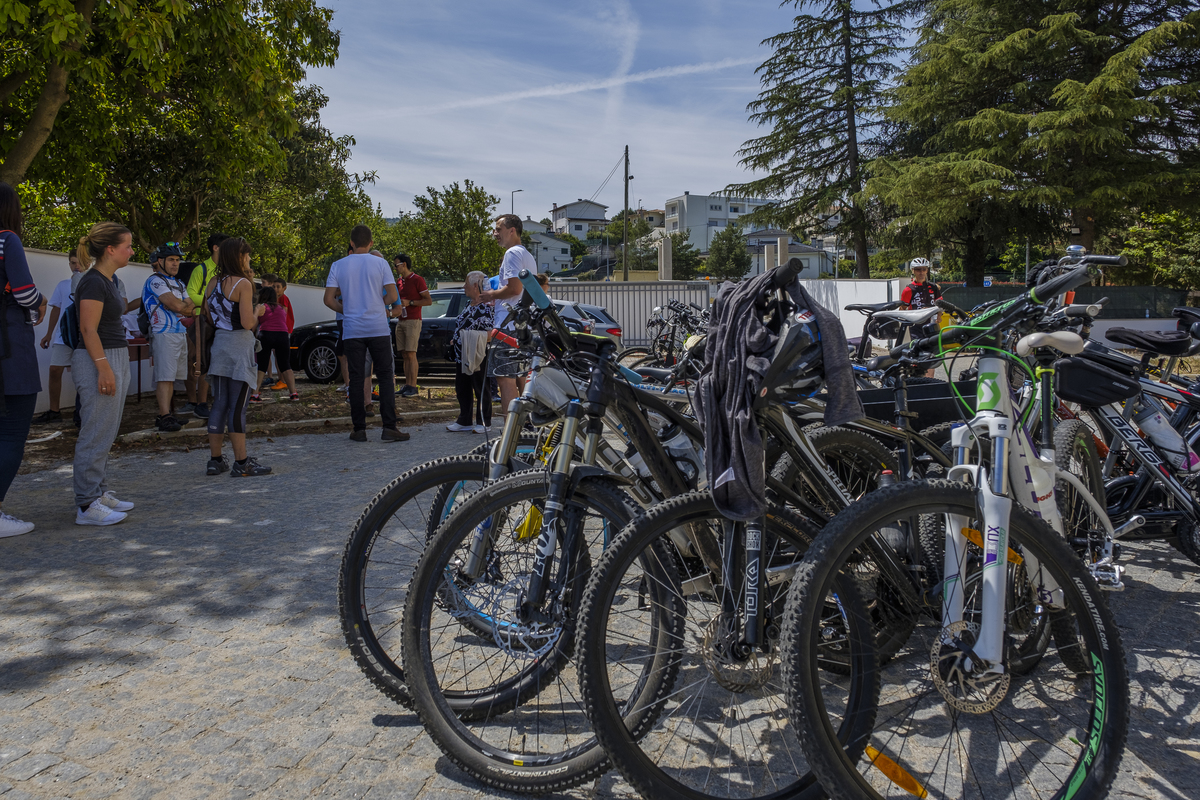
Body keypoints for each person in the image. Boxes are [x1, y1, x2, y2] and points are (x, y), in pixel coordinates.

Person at [72, 222, 138, 526]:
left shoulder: (108, 281)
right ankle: (86, 505)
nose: (132, 251)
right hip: (98, 358)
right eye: (127, 245)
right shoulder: (93, 282)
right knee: (95, 430)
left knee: (106, 429)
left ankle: (96, 492)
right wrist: (103, 368)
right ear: (110, 249)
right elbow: (88, 329)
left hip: (113, 355)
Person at [324, 225, 408, 443]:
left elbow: (328, 299)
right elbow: (391, 295)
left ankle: (359, 429)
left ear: (351, 243)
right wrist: (376, 305)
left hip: (353, 329)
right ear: (371, 243)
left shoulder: (338, 265)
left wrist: (348, 309)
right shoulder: (380, 263)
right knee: (385, 377)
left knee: (356, 378)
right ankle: (389, 427)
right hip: (378, 327)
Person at [0, 182, 47, 537]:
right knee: (14, 429)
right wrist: (40, 300)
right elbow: (25, 292)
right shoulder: (7, 240)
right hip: (9, 346)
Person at [203, 237, 272, 477]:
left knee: (219, 402)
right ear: (238, 256)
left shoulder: (212, 282)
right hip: (239, 347)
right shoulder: (243, 283)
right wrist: (257, 311)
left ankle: (215, 460)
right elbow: (246, 322)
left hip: (219, 345)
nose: (250, 259)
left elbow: (209, 318)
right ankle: (242, 463)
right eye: (247, 255)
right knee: (238, 406)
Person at [479, 214, 535, 421]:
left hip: (507, 326)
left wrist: (490, 295)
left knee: (505, 380)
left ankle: (510, 434)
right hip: (521, 326)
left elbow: (514, 288)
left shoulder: (512, 253)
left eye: (498, 229)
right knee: (520, 378)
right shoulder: (526, 254)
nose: (495, 233)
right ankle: (523, 428)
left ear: (512, 230)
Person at [143, 242, 194, 431]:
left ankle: (168, 415)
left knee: (171, 378)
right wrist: (187, 308)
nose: (175, 263)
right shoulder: (155, 281)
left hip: (180, 332)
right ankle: (164, 416)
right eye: (171, 260)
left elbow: (188, 306)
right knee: (165, 377)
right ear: (160, 261)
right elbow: (178, 306)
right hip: (163, 333)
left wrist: (187, 308)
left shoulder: (179, 283)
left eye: (178, 260)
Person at [34, 252, 85, 424]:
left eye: (79, 263)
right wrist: (49, 334)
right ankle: (54, 411)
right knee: (55, 370)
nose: (76, 266)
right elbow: (56, 309)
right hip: (63, 336)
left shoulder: (90, 284)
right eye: (72, 263)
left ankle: (82, 412)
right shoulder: (63, 285)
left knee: (84, 374)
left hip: (84, 336)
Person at [185, 233, 229, 418]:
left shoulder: (228, 270)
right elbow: (189, 294)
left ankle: (203, 402)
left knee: (209, 362)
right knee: (195, 362)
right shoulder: (201, 269)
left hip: (219, 324)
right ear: (216, 247)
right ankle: (192, 401)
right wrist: (209, 302)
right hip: (199, 323)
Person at [446, 271, 495, 433]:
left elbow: (491, 332)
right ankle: (464, 419)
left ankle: (484, 421)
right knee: (462, 386)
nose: (463, 286)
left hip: (478, 351)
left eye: (466, 283)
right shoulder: (469, 304)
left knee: (480, 387)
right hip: (463, 352)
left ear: (475, 285)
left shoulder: (488, 306)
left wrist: (468, 337)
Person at [393, 253, 431, 398]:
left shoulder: (417, 279)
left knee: (411, 353)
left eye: (396, 265)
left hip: (413, 320)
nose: (395, 268)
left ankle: (413, 386)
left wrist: (411, 302)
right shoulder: (399, 281)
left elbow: (428, 300)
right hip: (401, 320)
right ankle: (407, 385)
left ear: (404, 264)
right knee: (404, 353)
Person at [251, 285, 297, 402]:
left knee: (261, 365)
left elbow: (253, 326)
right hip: (282, 335)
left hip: (266, 334)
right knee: (285, 365)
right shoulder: (281, 308)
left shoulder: (261, 307)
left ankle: (255, 394)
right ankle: (293, 393)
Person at [900, 257, 942, 378]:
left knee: (932, 355)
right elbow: (903, 309)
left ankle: (929, 381)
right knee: (918, 354)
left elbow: (940, 304)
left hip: (932, 326)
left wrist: (939, 316)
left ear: (927, 270)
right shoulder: (909, 289)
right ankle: (916, 379)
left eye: (924, 269)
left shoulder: (933, 287)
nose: (921, 272)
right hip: (916, 327)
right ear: (913, 270)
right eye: (918, 270)